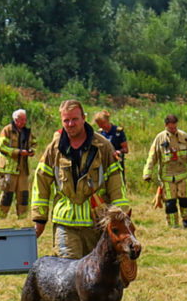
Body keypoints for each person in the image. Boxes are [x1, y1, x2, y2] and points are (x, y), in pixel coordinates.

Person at [31, 100, 129, 259]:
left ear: (83, 118)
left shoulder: (103, 146)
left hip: (97, 225)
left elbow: (116, 185)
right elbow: (40, 184)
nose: (70, 124)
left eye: (75, 119)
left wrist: (121, 219)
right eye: (66, 120)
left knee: (96, 272)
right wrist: (39, 220)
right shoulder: (54, 149)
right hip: (65, 225)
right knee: (68, 271)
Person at [143, 114, 187, 228]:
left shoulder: (184, 137)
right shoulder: (160, 139)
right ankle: (173, 225)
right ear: (165, 126)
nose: (173, 130)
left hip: (183, 175)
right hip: (167, 177)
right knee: (170, 203)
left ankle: (186, 220)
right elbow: (152, 157)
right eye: (171, 128)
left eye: (175, 127)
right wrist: (147, 173)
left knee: (186, 200)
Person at [0, 109, 37, 220]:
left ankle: (22, 217)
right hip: (9, 168)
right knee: (7, 193)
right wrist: (17, 152)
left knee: (23, 194)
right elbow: (2, 147)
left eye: (25, 119)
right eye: (21, 119)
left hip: (23, 168)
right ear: (15, 119)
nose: (24, 122)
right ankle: (1, 216)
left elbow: (34, 143)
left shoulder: (27, 132)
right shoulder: (7, 130)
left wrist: (31, 151)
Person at [94, 110, 129, 180]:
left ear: (107, 120)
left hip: (116, 162)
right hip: (104, 164)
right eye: (99, 125)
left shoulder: (118, 132)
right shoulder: (100, 133)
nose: (101, 126)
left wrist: (119, 152)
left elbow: (126, 149)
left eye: (103, 124)